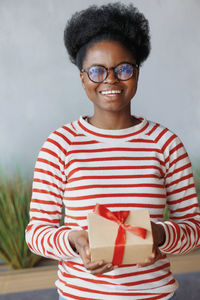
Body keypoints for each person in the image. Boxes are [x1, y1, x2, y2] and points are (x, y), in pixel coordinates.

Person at [25, 3, 200, 300]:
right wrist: (73, 241)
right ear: (83, 78)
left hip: (154, 295)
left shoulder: (165, 143)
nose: (110, 79)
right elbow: (36, 233)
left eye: (123, 68)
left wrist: (158, 235)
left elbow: (194, 229)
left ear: (137, 73)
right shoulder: (60, 145)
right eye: (96, 70)